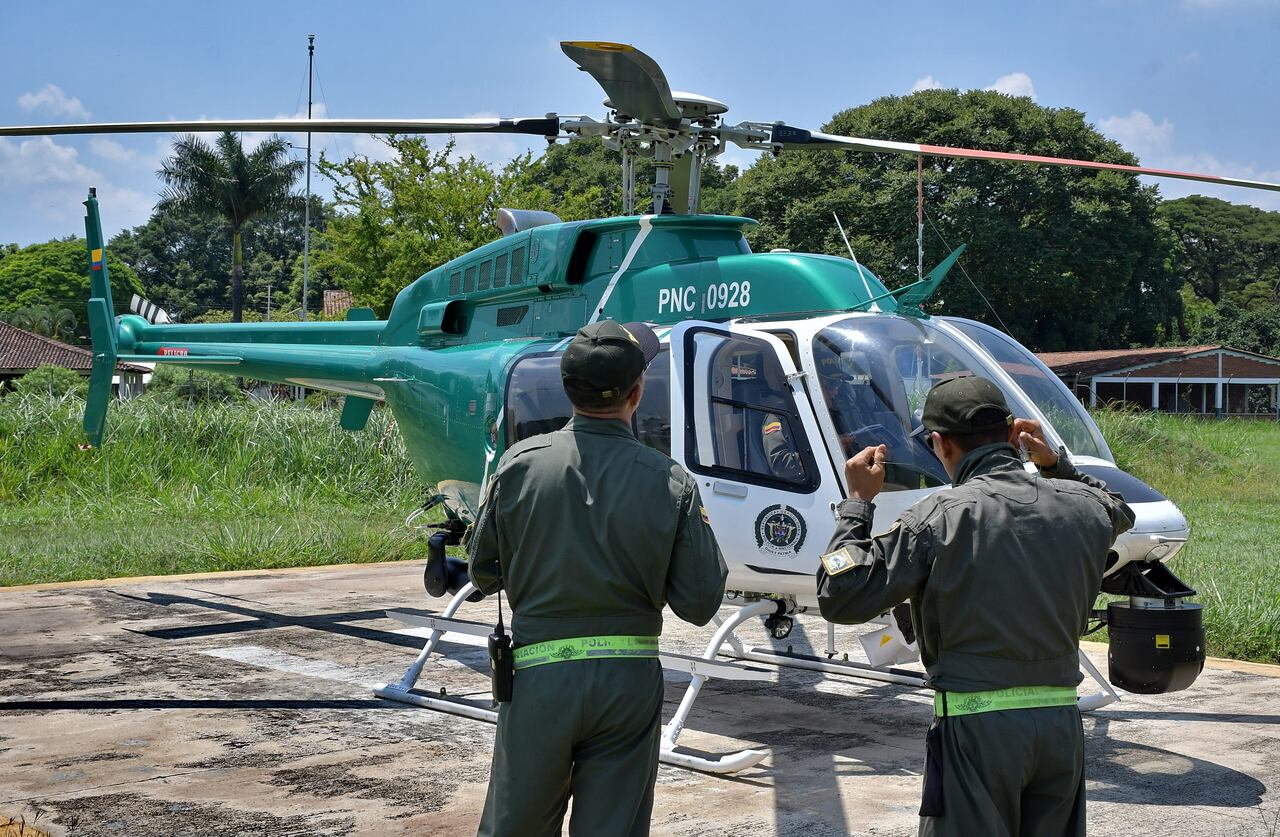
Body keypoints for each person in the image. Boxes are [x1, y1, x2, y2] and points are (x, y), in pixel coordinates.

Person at [815, 375, 1134, 837]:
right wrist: (1055, 463)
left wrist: (857, 505)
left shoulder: (937, 517)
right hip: (1062, 727)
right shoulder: (1083, 506)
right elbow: (1119, 508)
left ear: (940, 444)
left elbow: (839, 595)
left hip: (976, 728)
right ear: (1012, 435)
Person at [467, 320, 728, 837]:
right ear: (638, 393)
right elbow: (700, 603)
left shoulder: (519, 466)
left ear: (567, 390)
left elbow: (482, 568)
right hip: (626, 684)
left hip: (539, 679)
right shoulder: (669, 480)